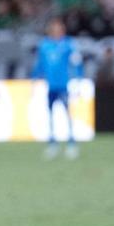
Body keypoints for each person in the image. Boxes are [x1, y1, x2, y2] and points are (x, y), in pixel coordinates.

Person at [31, 18, 83, 160]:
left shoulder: (68, 45)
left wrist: (79, 80)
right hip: (51, 86)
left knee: (67, 113)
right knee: (50, 115)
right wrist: (35, 79)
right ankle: (52, 143)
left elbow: (76, 63)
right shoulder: (45, 46)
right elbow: (40, 64)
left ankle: (72, 143)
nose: (56, 31)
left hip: (63, 85)